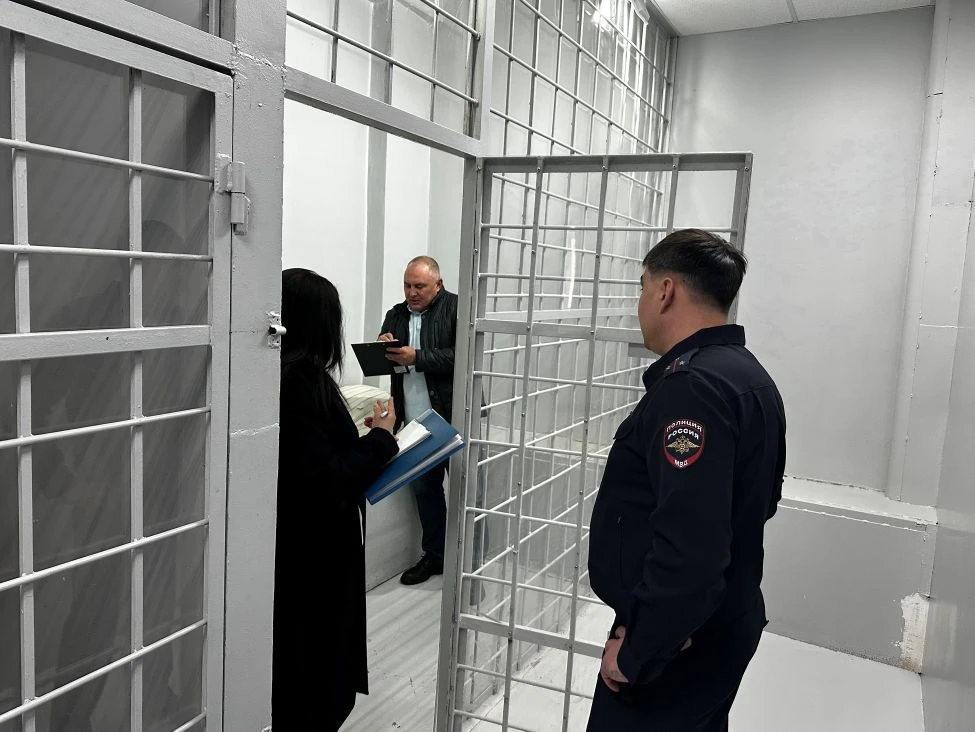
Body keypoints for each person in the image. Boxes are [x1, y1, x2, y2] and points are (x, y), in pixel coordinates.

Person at [586, 229, 786, 731]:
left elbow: (691, 550)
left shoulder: (691, 390)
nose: (639, 303)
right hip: (718, 621)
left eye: (641, 288)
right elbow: (760, 504)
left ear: (665, 290)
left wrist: (640, 651)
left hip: (678, 645)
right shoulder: (748, 376)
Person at [275, 268, 399, 730]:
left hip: (299, 549)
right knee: (315, 670)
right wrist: (382, 439)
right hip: (315, 555)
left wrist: (359, 441)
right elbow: (325, 478)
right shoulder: (299, 382)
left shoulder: (281, 374)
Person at [378, 256, 457, 586]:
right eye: (407, 285)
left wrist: (418, 357)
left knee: (469, 495)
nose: (412, 292)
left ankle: (470, 564)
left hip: (455, 418)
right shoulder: (396, 314)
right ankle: (435, 556)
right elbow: (387, 362)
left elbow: (465, 356)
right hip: (416, 422)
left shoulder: (457, 308)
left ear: (438, 285)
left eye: (419, 286)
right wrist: (381, 349)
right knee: (426, 492)